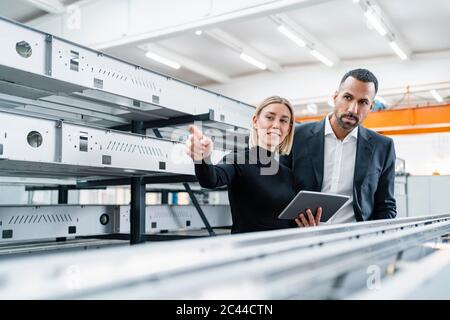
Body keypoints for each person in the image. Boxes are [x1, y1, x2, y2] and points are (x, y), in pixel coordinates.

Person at [282, 68, 397, 227]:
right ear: (335, 97)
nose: (352, 109)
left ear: (371, 107)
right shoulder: (296, 136)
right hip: (301, 238)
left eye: (363, 102)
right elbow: (281, 193)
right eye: (347, 97)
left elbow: (386, 206)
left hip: (355, 242)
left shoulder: (383, 147)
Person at [186, 96, 305, 234]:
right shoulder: (239, 159)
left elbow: (286, 222)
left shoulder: (287, 174)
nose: (276, 125)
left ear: (288, 129)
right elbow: (211, 179)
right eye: (270, 117)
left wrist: (304, 225)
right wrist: (202, 159)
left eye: (283, 120)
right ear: (255, 121)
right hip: (248, 250)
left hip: (282, 250)